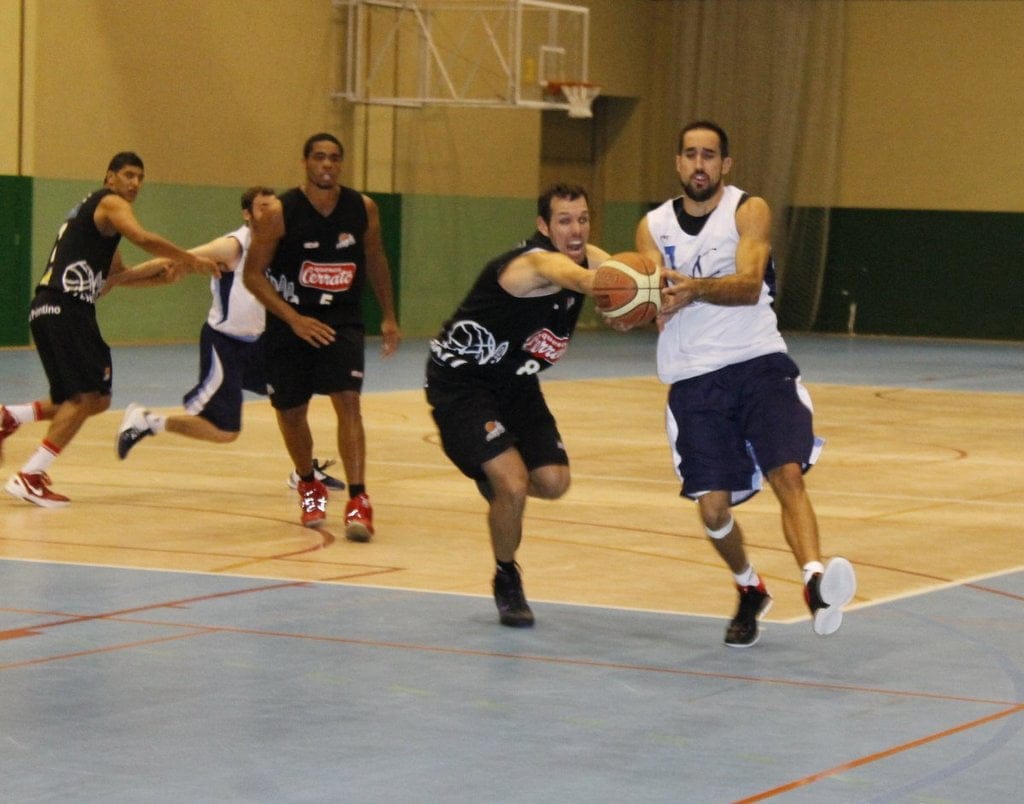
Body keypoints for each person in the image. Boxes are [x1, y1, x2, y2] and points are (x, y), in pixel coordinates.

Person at [636, 120, 856, 647]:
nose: (699, 164)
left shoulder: (746, 209)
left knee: (787, 473)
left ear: (725, 165)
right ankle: (749, 586)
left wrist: (692, 290)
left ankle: (814, 580)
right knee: (713, 509)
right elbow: (647, 293)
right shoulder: (653, 225)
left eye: (709, 155)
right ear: (677, 163)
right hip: (693, 380)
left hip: (758, 364)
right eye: (689, 154)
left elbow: (749, 284)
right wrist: (639, 301)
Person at [425, 183, 611, 627]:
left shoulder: (588, 257)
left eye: (583, 218)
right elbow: (582, 277)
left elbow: (620, 268)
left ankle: (495, 482)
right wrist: (614, 291)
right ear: (543, 226)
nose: (576, 229)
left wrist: (649, 294)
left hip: (516, 385)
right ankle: (507, 576)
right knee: (512, 483)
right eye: (564, 220)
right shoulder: (532, 264)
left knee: (552, 482)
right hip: (462, 384)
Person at [1, 151, 218, 508]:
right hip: (65, 308)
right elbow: (144, 238)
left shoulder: (96, 222)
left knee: (92, 400)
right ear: (110, 177)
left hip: (50, 309)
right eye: (129, 175)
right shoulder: (110, 203)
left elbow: (113, 280)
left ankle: (10, 416)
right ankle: (31, 475)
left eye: (140, 178)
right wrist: (189, 259)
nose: (134, 183)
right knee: (87, 397)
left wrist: (162, 276)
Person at [114, 186, 344, 492]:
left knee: (292, 401)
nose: (270, 213)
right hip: (227, 345)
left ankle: (303, 471)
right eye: (262, 208)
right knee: (225, 431)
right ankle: (146, 420)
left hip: (263, 344)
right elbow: (176, 259)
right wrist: (122, 278)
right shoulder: (235, 245)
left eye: (273, 207)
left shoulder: (281, 243)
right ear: (247, 215)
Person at [241, 133, 401, 537]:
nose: (326, 164)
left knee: (348, 402)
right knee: (291, 412)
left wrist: (388, 315)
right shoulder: (279, 212)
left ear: (341, 164)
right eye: (318, 157)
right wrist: (293, 319)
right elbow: (252, 275)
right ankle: (309, 483)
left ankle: (359, 499)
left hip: (341, 320)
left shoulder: (363, 208)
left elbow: (376, 257)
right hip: (290, 322)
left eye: (334, 158)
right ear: (305, 163)